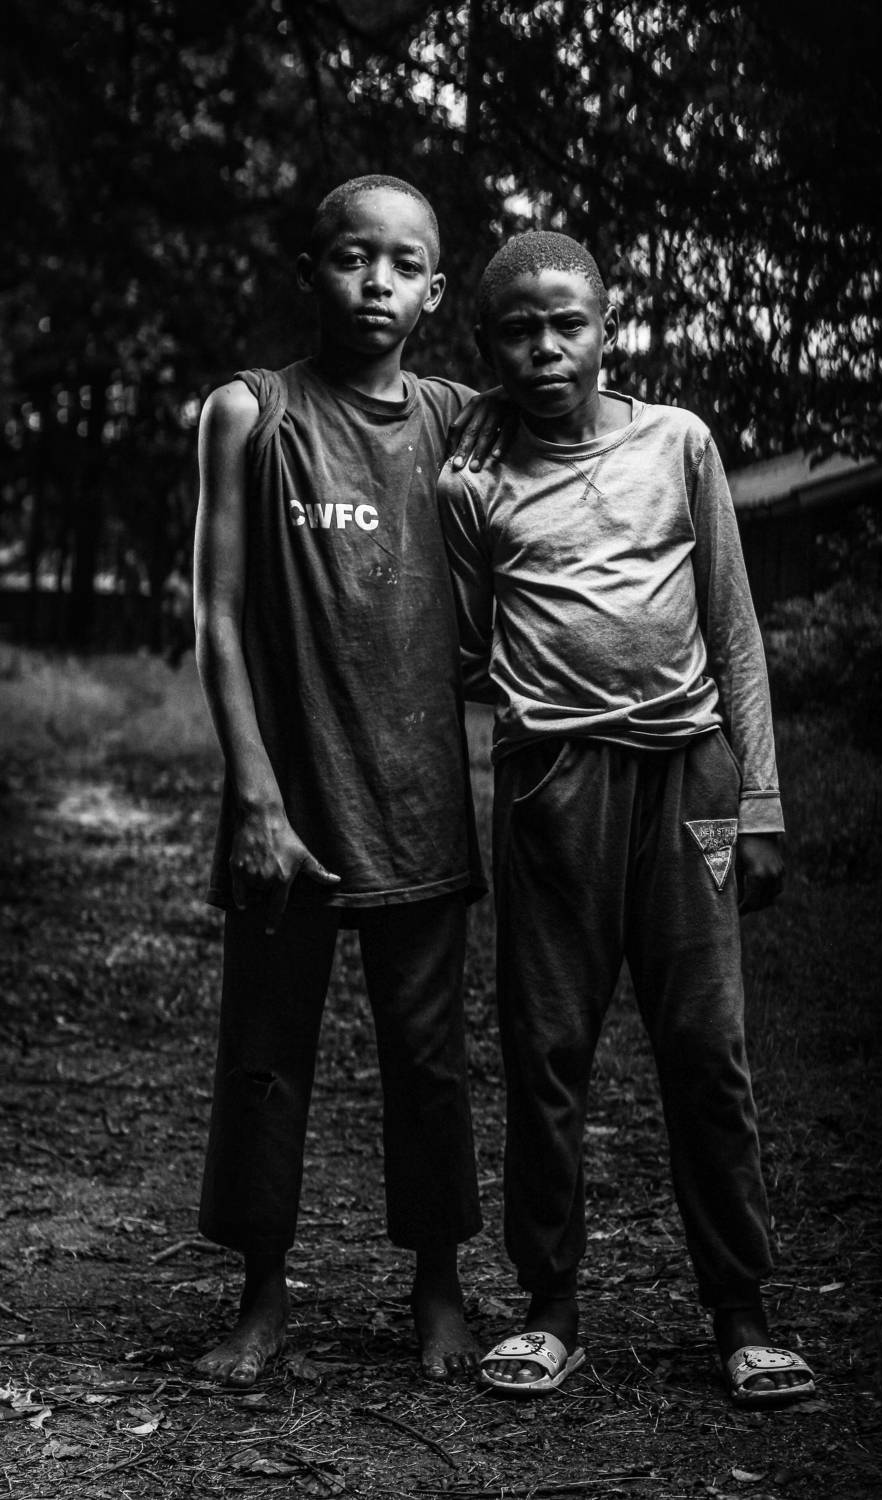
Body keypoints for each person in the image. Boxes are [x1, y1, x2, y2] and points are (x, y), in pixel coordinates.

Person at [437, 230, 816, 1407]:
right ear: (487, 346)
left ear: (609, 329)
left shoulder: (678, 442)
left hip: (691, 782)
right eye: (518, 331)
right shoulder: (475, 483)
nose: (545, 348)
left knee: (705, 1042)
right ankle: (549, 1308)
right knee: (547, 1046)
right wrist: (556, 692)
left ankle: (742, 1312)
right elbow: (464, 652)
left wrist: (759, 801)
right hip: (551, 788)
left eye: (569, 324)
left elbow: (736, 629)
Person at [192, 174, 500, 1389]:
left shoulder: (462, 421)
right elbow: (218, 615)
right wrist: (254, 794)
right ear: (309, 270)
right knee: (266, 1054)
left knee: (428, 1060)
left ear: (436, 290)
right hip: (291, 800)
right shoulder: (250, 413)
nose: (377, 282)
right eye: (351, 257)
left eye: (404, 264)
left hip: (419, 797)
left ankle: (439, 1287)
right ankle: (262, 1297)